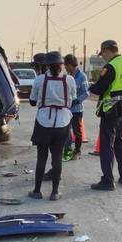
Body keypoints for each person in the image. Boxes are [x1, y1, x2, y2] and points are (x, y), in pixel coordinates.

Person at [88, 40, 122, 190]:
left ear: (107, 50)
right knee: (121, 143)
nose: (103, 56)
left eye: (103, 53)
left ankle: (108, 180)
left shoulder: (110, 67)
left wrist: (90, 86)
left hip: (111, 111)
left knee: (107, 145)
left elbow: (99, 89)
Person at [28, 51, 76, 201]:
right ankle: (55, 192)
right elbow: (73, 100)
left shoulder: (39, 80)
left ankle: (37, 191)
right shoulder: (70, 80)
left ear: (46, 65)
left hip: (44, 122)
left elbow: (32, 101)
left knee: (41, 157)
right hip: (62, 122)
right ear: (62, 65)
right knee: (57, 157)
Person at [62, 54, 89, 161]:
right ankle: (67, 150)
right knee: (66, 131)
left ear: (70, 65)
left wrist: (77, 100)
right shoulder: (67, 77)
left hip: (77, 109)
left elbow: (86, 92)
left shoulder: (82, 76)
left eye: (66, 65)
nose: (65, 67)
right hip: (66, 109)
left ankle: (77, 151)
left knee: (77, 132)